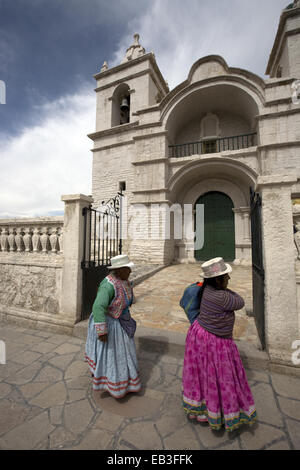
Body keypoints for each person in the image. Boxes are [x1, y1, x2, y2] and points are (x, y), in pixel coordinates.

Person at [182, 257, 257, 432]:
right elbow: (240, 301)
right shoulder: (223, 296)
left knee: (205, 374)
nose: (228, 279)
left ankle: (204, 408)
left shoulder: (206, 289)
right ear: (217, 279)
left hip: (199, 335)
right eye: (226, 276)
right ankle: (219, 410)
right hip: (215, 341)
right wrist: (227, 289)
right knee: (220, 376)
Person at [85, 254, 141, 398]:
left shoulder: (125, 281)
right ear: (118, 270)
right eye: (126, 269)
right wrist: (102, 331)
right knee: (110, 353)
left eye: (129, 268)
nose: (129, 271)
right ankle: (111, 381)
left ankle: (124, 380)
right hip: (110, 323)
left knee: (124, 352)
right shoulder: (108, 285)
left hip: (121, 322)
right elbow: (98, 307)